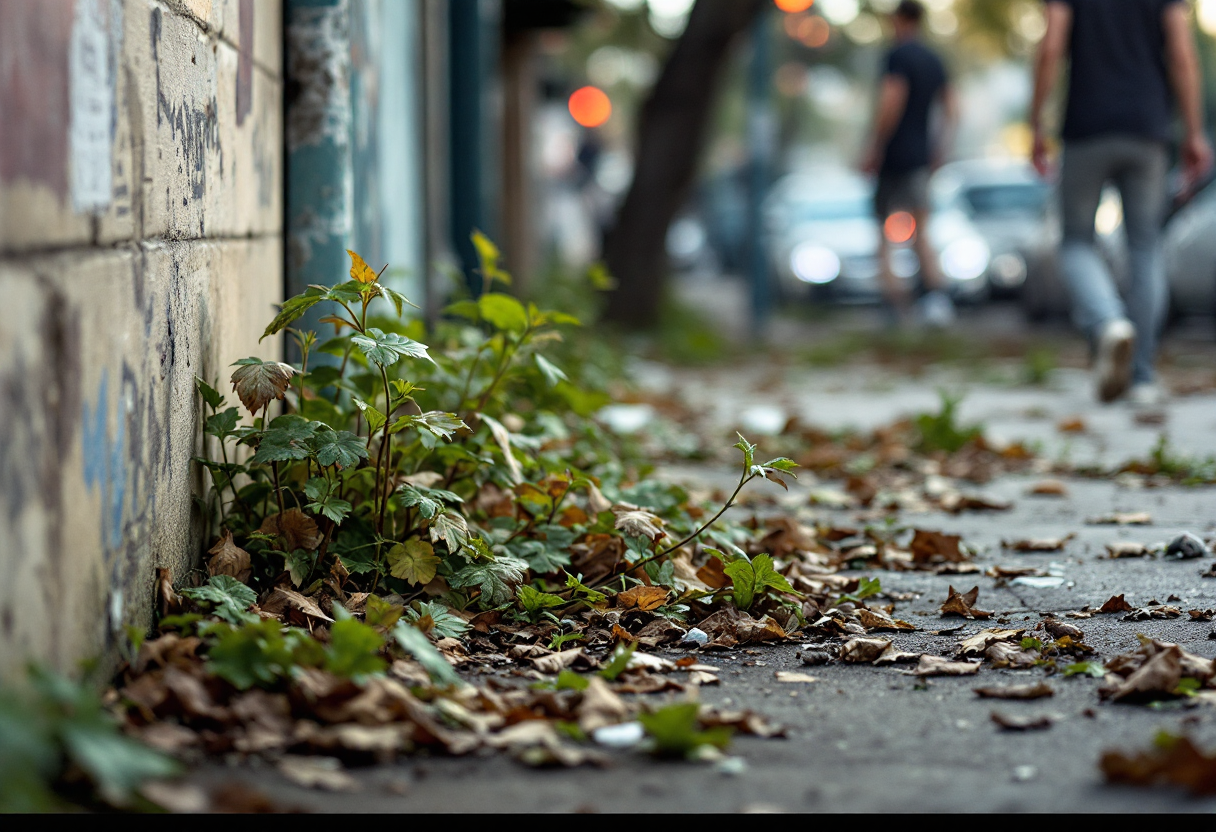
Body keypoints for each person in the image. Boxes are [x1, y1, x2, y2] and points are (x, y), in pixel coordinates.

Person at [1031, 0, 1213, 404]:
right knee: (1145, 247)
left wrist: (1036, 123)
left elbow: (1050, 48)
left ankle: (1108, 322)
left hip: (1086, 129)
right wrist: (1195, 132)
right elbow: (1182, 55)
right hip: (1147, 130)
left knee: (1076, 242)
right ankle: (1143, 377)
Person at [862, 0, 959, 326]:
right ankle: (937, 300)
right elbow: (953, 109)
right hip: (920, 158)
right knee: (923, 233)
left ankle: (894, 305)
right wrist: (940, 148)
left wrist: (874, 146)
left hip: (894, 156)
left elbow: (892, 99)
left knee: (882, 234)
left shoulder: (897, 56)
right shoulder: (934, 60)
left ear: (900, 20)